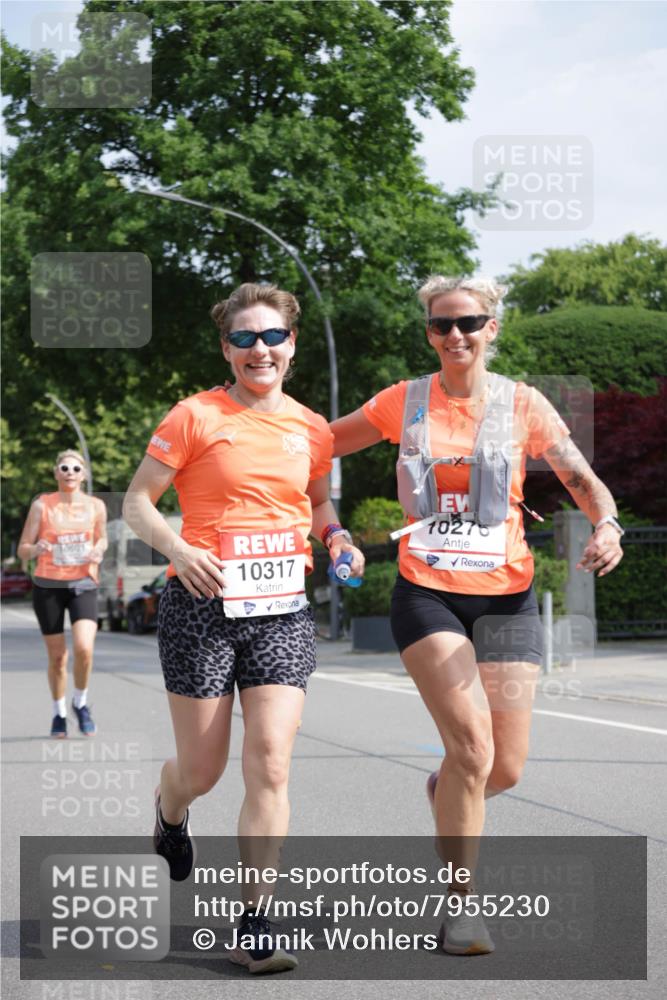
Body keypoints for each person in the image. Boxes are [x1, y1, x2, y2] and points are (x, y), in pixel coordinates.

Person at [331, 275, 624, 956]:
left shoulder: (524, 404)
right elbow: (314, 447)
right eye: (440, 325)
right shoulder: (399, 402)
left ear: (492, 326)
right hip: (426, 590)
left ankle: (447, 791)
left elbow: (580, 479)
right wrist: (329, 525)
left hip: (508, 594)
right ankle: (461, 907)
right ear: (429, 333)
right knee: (471, 747)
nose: (454, 335)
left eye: (468, 322)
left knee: (505, 767)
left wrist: (605, 525)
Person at [123, 282, 363, 975]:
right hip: (201, 603)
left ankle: (253, 922)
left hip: (282, 609)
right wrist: (179, 550)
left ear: (291, 343)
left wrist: (339, 539)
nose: (259, 349)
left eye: (271, 337)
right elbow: (139, 501)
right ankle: (170, 811)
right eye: (243, 339)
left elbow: (318, 505)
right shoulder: (195, 416)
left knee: (271, 761)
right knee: (201, 770)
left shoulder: (312, 428)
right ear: (226, 349)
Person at [17, 449, 107, 738]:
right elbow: (23, 549)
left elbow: (102, 537)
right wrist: (36, 549)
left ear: (84, 475)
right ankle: (59, 713)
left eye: (76, 468)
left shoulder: (96, 506)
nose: (70, 472)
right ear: (56, 473)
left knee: (84, 648)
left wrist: (99, 548)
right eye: (64, 468)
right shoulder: (42, 506)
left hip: (83, 582)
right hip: (48, 585)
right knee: (58, 658)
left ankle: (80, 703)